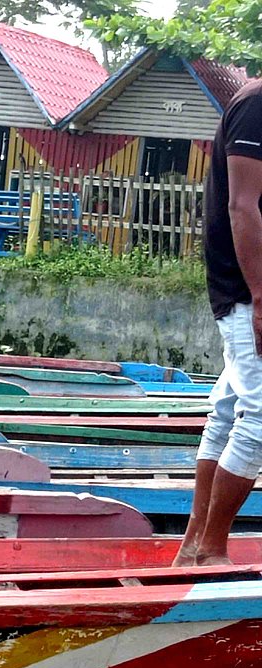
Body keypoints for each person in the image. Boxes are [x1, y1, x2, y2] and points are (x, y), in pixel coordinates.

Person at [173, 79, 262, 566]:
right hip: (247, 291)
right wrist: (261, 295)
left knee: (228, 411)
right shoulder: (256, 105)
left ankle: (193, 544)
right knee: (260, 420)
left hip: (249, 291)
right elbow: (241, 205)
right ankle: (211, 548)